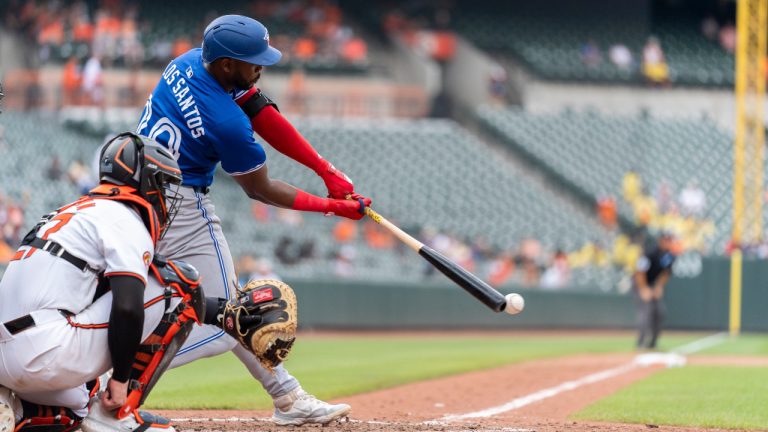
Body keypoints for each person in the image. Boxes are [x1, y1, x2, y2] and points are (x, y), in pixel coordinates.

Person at [135, 14, 371, 426]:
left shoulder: (190, 61)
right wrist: (334, 207)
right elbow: (260, 190)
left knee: (231, 301)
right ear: (227, 64)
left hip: (137, 189)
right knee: (232, 323)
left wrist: (325, 169)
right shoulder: (225, 124)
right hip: (181, 206)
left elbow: (262, 110)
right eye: (253, 60)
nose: (261, 66)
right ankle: (110, 378)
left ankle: (287, 396)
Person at [0, 133, 196, 432]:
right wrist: (119, 379)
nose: (164, 196)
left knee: (80, 405)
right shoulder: (124, 217)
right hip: (42, 353)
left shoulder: (71, 211)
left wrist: (219, 311)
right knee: (179, 287)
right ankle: (119, 414)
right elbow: (128, 307)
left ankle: (16, 407)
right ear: (144, 181)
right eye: (161, 184)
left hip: (7, 357)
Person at [633, 232, 676, 350]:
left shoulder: (669, 255)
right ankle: (641, 343)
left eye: (670, 240)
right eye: (666, 240)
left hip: (653, 284)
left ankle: (653, 343)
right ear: (660, 240)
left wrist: (659, 287)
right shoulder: (649, 252)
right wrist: (643, 289)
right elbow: (639, 271)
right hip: (640, 283)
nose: (668, 242)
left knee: (659, 313)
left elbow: (666, 273)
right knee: (646, 312)